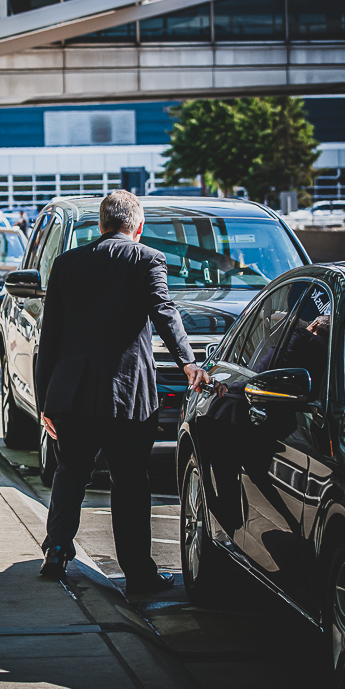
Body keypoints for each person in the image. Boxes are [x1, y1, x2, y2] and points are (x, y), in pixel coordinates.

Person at [35, 190, 211, 593]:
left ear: (100, 224)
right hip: (127, 396)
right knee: (130, 481)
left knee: (71, 472)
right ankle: (138, 572)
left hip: (72, 395)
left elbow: (51, 336)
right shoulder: (146, 258)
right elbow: (163, 310)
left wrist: (47, 399)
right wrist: (187, 361)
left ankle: (57, 550)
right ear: (138, 226)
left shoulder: (66, 264)